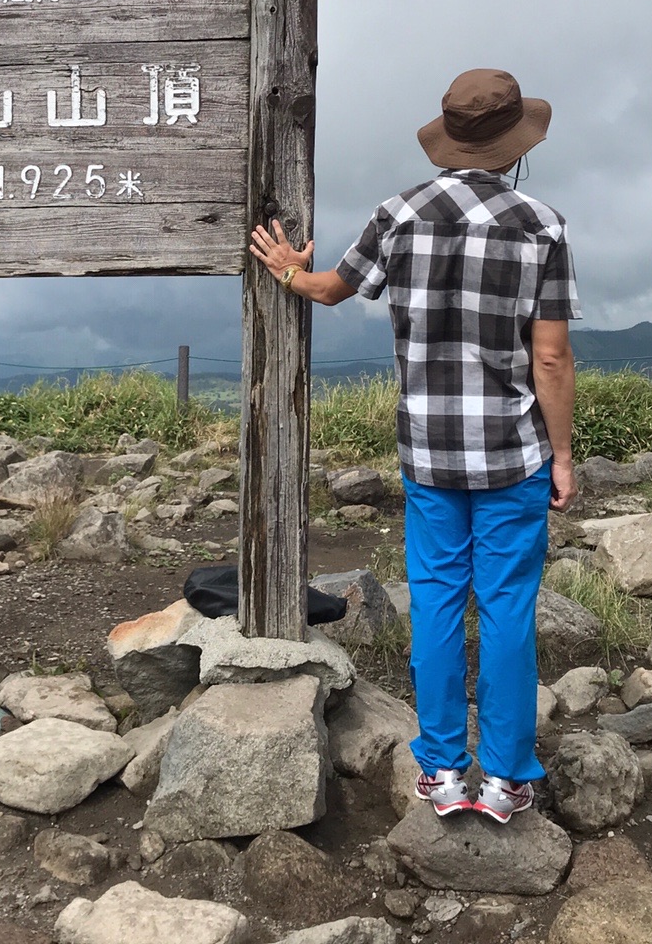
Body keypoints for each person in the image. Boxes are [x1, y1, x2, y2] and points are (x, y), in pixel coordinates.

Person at [248, 68, 580, 824]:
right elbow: (551, 357)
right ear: (516, 145)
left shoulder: (399, 214)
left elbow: (331, 289)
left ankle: (442, 770)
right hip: (513, 454)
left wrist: (290, 273)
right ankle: (506, 778)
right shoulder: (543, 226)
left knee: (435, 601)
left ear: (451, 138)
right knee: (507, 608)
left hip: (429, 452)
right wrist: (561, 456)